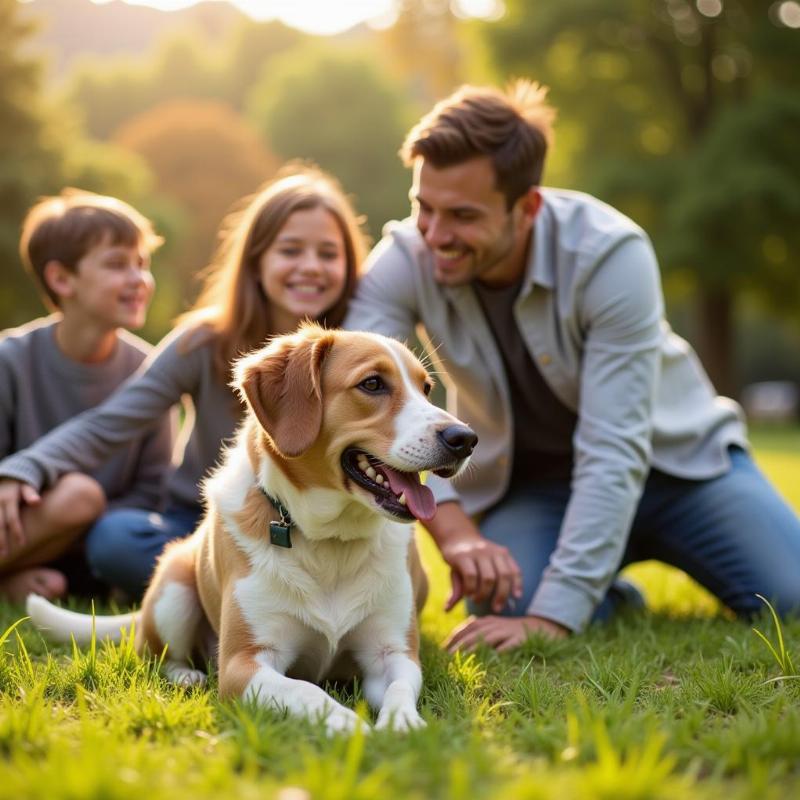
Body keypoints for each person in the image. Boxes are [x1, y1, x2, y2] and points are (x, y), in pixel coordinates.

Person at [343, 81, 800, 652]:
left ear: (527, 206)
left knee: (793, 595)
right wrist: (456, 534)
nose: (435, 235)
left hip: (679, 469)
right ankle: (607, 592)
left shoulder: (611, 254)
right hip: (536, 487)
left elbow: (615, 447)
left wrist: (554, 619)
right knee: (505, 599)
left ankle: (584, 587)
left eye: (462, 215)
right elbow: (369, 395)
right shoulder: (404, 257)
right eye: (423, 208)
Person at [0, 165, 366, 600]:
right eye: (290, 250)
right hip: (199, 523)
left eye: (328, 254)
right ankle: (232, 591)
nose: (310, 267)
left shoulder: (361, 353)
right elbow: (111, 422)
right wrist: (26, 466)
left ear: (348, 264)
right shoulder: (204, 340)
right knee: (117, 539)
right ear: (256, 260)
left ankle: (244, 595)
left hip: (319, 530)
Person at [0, 189, 173, 602]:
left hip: (89, 541)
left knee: (81, 501)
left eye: (142, 265)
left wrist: (81, 527)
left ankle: (21, 578)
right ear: (62, 278)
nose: (138, 280)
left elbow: (152, 490)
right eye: (117, 265)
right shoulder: (9, 359)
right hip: (15, 523)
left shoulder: (151, 371)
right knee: (78, 494)